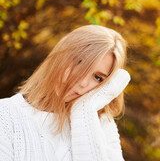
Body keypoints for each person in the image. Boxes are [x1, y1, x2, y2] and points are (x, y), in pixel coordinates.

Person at [0, 25, 131, 161]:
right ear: (61, 54)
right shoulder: (5, 116)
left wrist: (84, 110)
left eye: (98, 78)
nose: (83, 82)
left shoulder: (101, 123)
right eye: (80, 62)